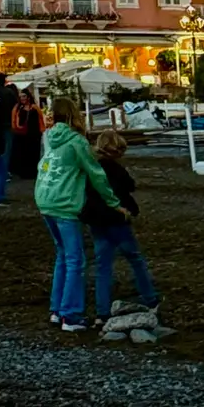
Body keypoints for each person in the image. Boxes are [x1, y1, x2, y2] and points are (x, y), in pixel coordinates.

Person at [35, 96, 122, 330]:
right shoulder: (77, 142)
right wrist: (113, 202)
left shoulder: (50, 138)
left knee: (62, 255)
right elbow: (97, 175)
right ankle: (70, 315)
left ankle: (57, 308)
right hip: (65, 204)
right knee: (76, 260)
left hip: (45, 201)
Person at [90, 129, 159, 324]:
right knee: (135, 259)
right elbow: (130, 186)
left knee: (103, 265)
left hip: (97, 221)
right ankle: (150, 299)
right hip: (117, 220)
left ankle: (101, 312)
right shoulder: (116, 170)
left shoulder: (92, 167)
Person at [9, 87, 45, 181]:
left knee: (33, 154)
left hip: (34, 135)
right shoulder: (17, 108)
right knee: (23, 155)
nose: (22, 98)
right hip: (22, 136)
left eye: (24, 96)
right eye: (21, 97)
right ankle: (24, 173)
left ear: (28, 96)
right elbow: (14, 120)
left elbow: (40, 120)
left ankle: (33, 172)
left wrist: (42, 132)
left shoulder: (34, 108)